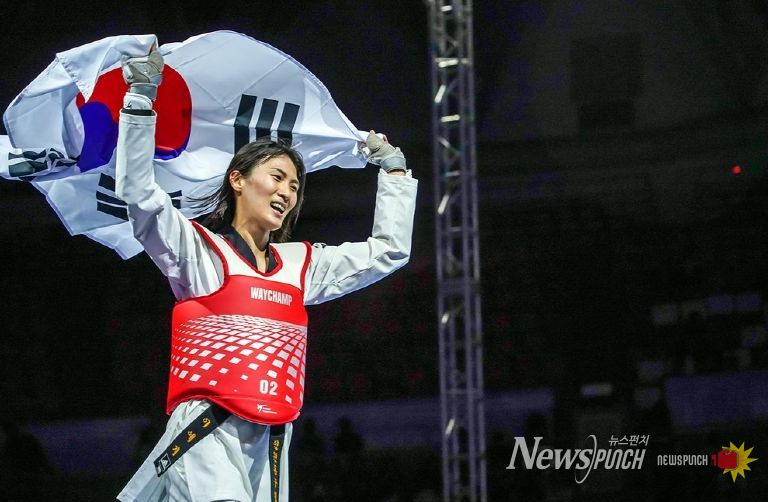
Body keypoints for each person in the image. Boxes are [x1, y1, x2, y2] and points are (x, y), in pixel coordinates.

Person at [116, 49, 417, 501]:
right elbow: (140, 194)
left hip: (273, 443)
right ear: (237, 179)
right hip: (206, 432)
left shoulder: (301, 265)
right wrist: (140, 99)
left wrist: (394, 171)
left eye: (295, 186)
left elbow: (388, 251)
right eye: (277, 177)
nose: (286, 192)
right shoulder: (200, 252)